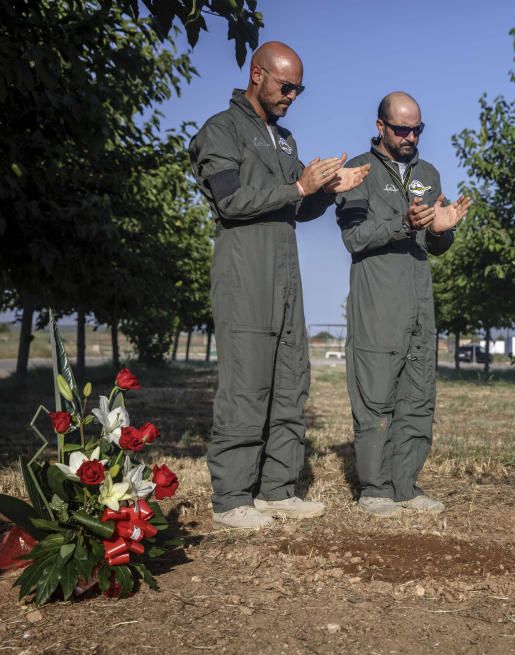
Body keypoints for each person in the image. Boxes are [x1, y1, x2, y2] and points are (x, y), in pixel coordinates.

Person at [189, 42, 369, 529]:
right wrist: (299, 188)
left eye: (299, 88)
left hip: (287, 276)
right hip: (246, 273)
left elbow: (300, 206)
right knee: (247, 385)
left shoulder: (282, 139)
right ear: (257, 74)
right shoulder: (220, 131)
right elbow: (231, 202)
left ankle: (276, 489)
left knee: (291, 381)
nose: (292, 95)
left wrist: (329, 191)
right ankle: (231, 498)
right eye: (286, 86)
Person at [335, 92, 471, 517]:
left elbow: (435, 243)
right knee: (376, 395)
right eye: (401, 129)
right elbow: (354, 238)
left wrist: (441, 231)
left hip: (419, 302)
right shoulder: (357, 172)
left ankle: (405, 485)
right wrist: (401, 223)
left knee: (417, 394)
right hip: (378, 301)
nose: (411, 136)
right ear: (381, 127)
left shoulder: (427, 173)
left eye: (417, 129)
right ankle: (375, 490)